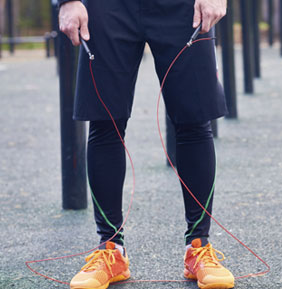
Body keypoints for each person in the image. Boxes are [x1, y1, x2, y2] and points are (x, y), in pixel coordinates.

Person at [58, 0, 233, 288]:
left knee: (194, 119)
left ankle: (198, 247)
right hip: (107, 7)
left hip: (183, 6)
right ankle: (111, 250)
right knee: (106, 122)